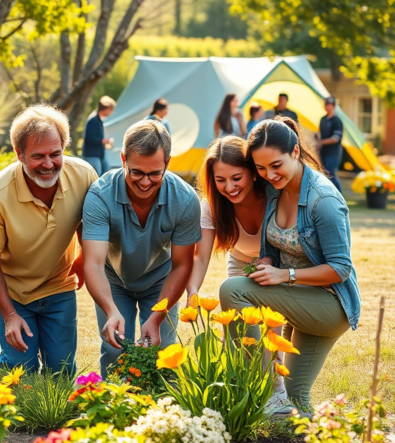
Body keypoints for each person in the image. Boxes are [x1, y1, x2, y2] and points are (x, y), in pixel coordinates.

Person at [219, 117, 360, 413]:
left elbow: (341, 268)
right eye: (260, 168)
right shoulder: (274, 189)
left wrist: (284, 274)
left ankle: (261, 390)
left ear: (295, 152)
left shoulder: (324, 200)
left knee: (232, 290)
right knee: (294, 403)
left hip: (330, 305)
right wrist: (267, 259)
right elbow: (270, 242)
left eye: (276, 165)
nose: (269, 174)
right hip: (298, 299)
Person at [0, 103, 98, 375]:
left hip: (59, 288)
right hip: (14, 293)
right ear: (19, 154)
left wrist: (82, 258)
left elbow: (90, 225)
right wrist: (9, 315)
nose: (48, 164)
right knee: (22, 374)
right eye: (38, 156)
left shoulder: (84, 176)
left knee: (62, 371)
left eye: (56, 154)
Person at [82, 120, 200, 376]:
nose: (145, 182)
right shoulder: (100, 195)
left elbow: (182, 265)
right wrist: (111, 311)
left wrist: (157, 318)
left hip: (161, 280)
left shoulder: (185, 199)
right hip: (113, 280)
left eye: (155, 173)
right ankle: (115, 408)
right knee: (115, 348)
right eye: (136, 172)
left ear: (167, 162)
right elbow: (92, 263)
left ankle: (158, 413)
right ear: (123, 158)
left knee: (161, 350)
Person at [187, 135, 293, 414]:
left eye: (236, 178)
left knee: (271, 329)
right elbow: (201, 255)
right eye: (220, 180)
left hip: (279, 263)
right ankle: (246, 390)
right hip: (241, 262)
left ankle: (277, 393)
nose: (229, 187)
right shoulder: (211, 206)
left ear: (253, 173)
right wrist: (193, 291)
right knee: (241, 332)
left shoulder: (274, 195)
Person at [316, 96, 344, 193]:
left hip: (333, 153)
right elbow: (319, 133)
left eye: (329, 104)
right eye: (325, 104)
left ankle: (338, 194)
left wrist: (321, 142)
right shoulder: (322, 119)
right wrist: (318, 143)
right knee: (323, 174)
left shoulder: (337, 121)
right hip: (323, 152)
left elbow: (336, 138)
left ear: (333, 106)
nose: (326, 106)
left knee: (331, 174)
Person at [82, 96, 116, 176]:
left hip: (100, 154)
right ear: (107, 109)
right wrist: (102, 141)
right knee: (95, 176)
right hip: (92, 155)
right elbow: (89, 138)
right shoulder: (93, 120)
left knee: (107, 171)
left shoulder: (99, 120)